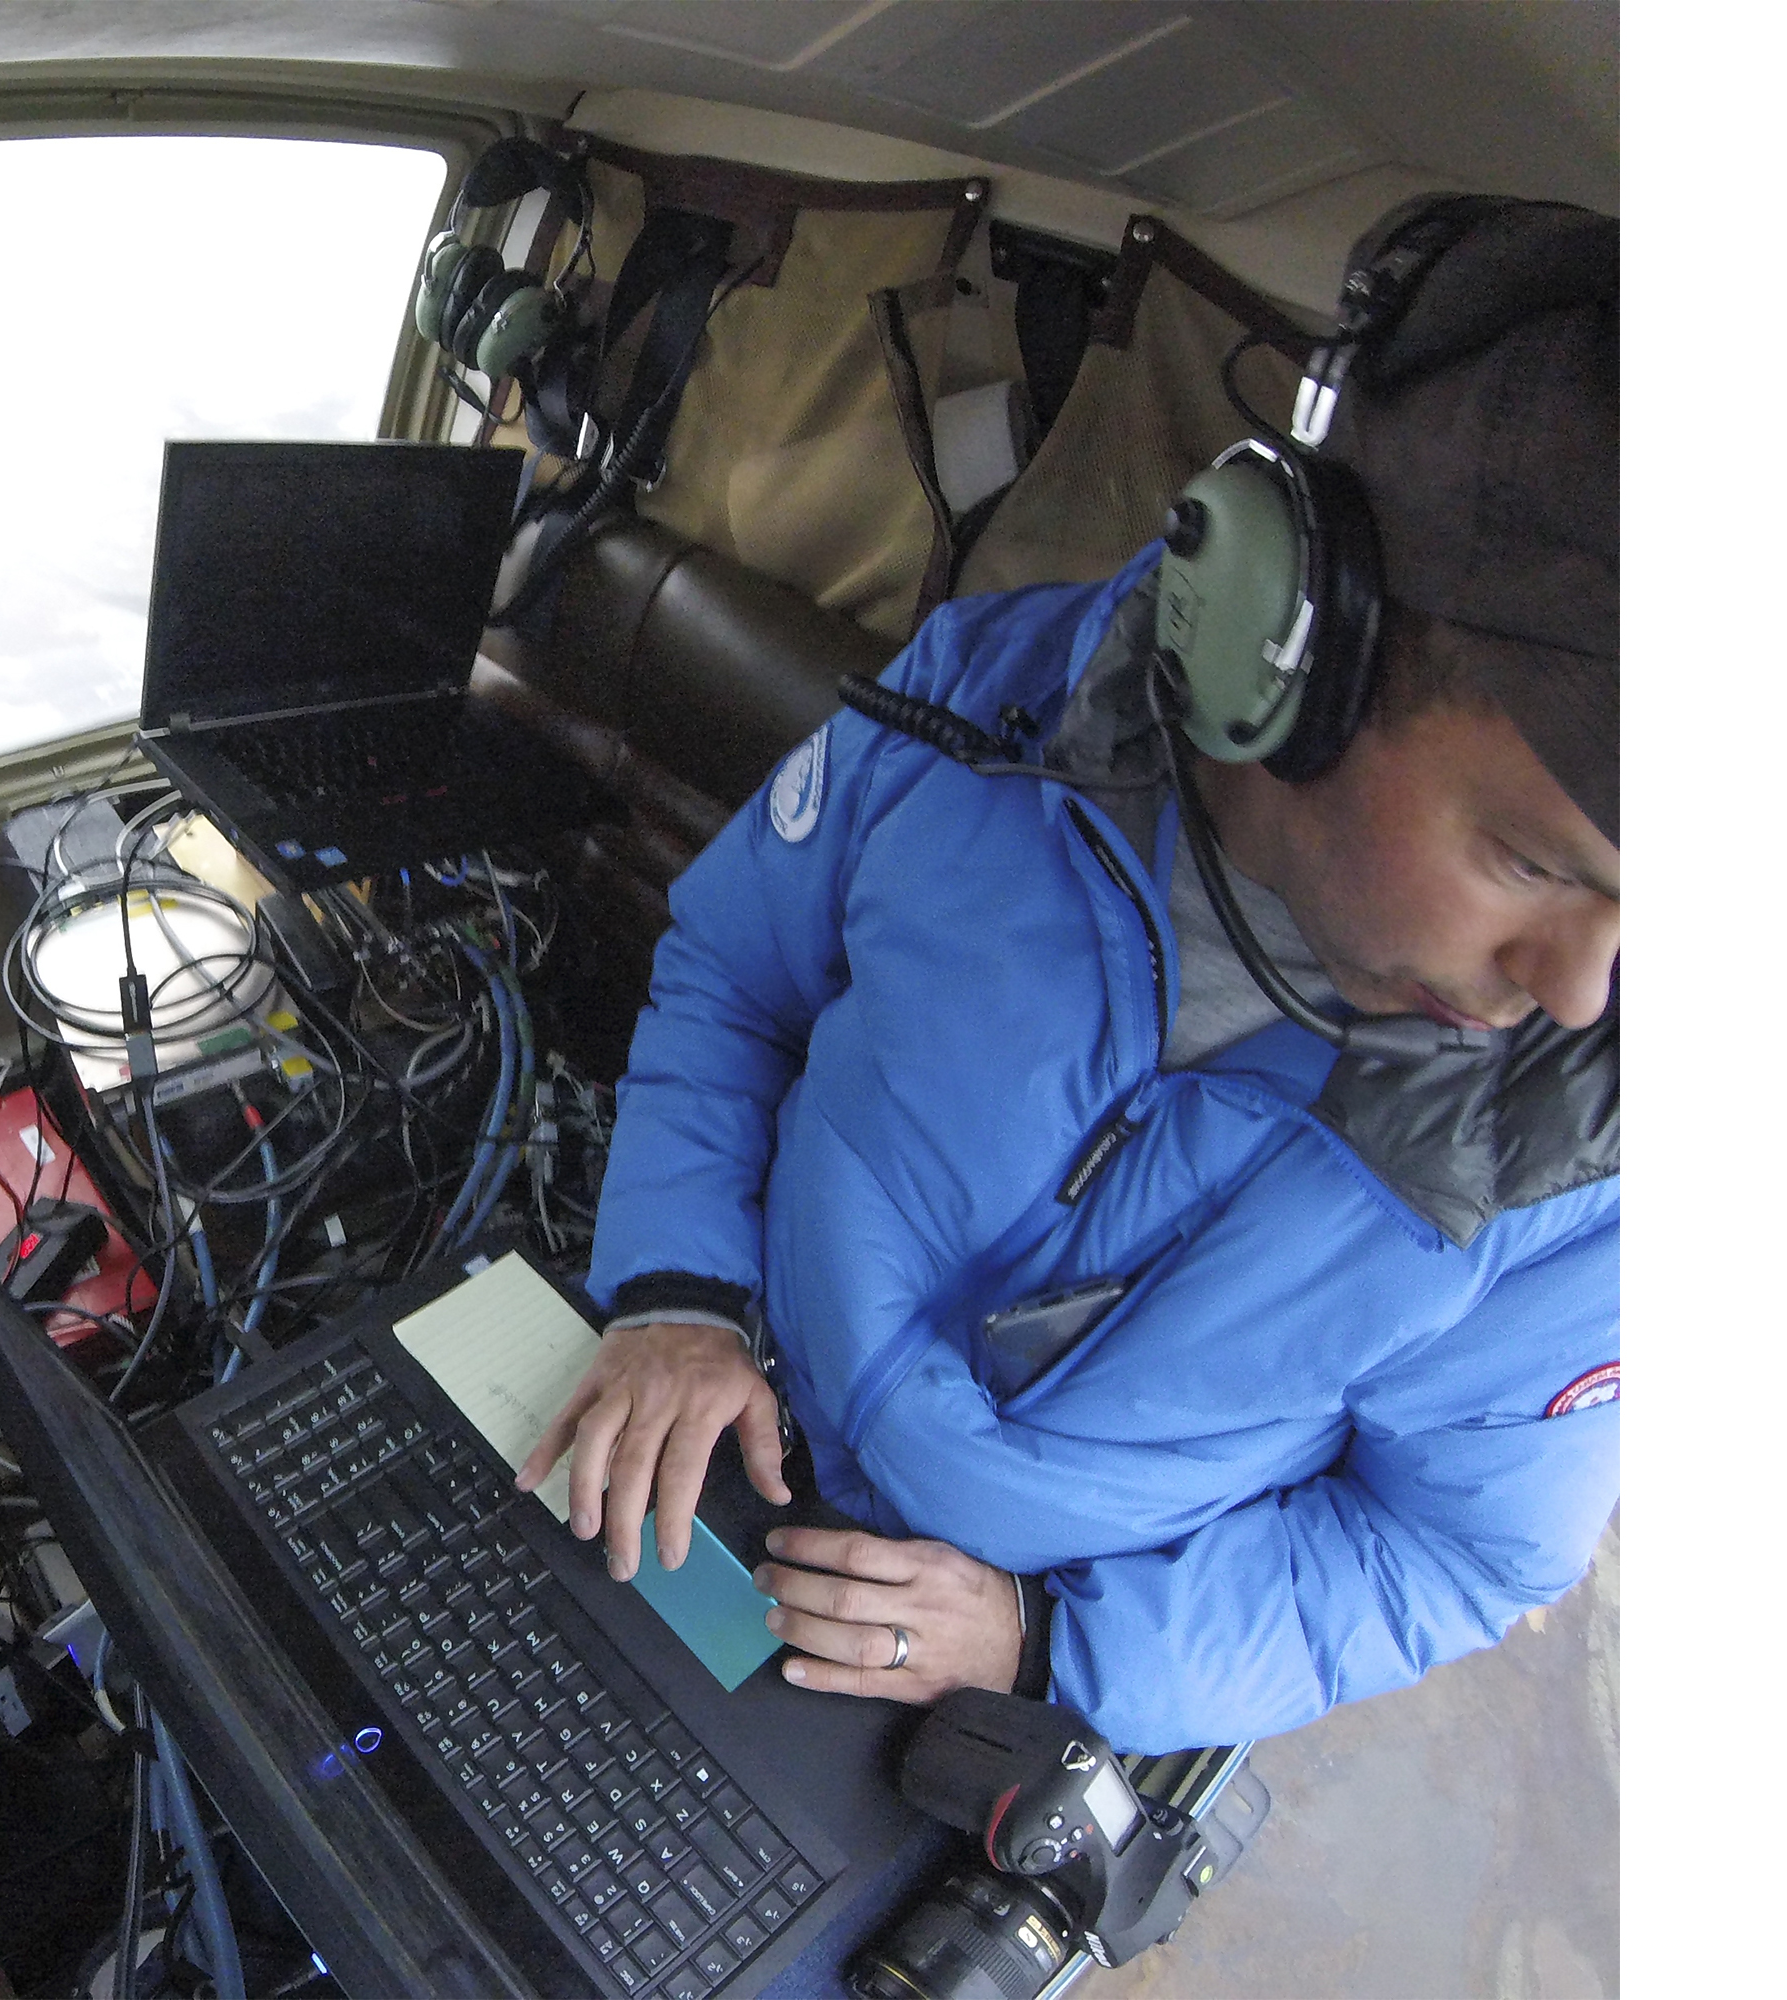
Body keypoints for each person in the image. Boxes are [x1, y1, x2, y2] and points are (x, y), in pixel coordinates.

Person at [517, 195, 1619, 1754]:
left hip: (981, 1668)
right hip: (714, 1428)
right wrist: (679, 1292)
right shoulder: (985, 701)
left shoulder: (1598, 1157)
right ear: (1293, 655)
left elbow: (1456, 1548)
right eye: (1538, 863)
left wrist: (1049, 1647)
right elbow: (734, 968)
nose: (1583, 993)